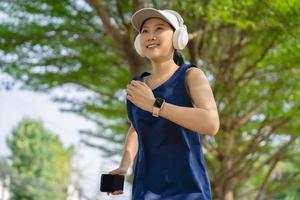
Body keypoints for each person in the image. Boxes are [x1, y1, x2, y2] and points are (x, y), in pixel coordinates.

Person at [107, 7, 220, 200]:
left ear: (178, 38)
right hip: (146, 191)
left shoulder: (191, 75)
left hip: (188, 191)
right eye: (145, 31)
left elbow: (211, 124)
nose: (151, 35)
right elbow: (136, 127)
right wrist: (124, 165)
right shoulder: (137, 86)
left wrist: (155, 105)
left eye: (159, 28)